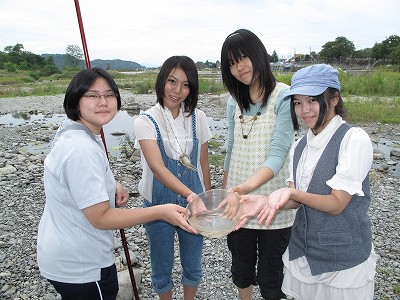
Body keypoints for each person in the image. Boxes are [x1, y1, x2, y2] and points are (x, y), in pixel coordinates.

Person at [36, 68, 197, 300]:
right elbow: (100, 218)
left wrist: (112, 184)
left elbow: (79, 178)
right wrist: (160, 212)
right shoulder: (82, 149)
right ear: (75, 99)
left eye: (109, 95)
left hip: (62, 252)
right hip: (82, 265)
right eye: (92, 96)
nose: (103, 102)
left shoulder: (74, 130)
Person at [238, 64, 377, 299]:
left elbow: (337, 204)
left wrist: (292, 194)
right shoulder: (300, 145)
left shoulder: (354, 139)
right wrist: (265, 201)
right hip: (305, 254)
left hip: (343, 261)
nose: (304, 110)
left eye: (312, 100)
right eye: (298, 102)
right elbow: (294, 198)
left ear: (334, 99)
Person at [220, 28, 296, 300]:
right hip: (238, 202)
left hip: (274, 203)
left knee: (270, 273)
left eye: (243, 57)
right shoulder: (233, 102)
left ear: (258, 54)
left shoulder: (284, 97)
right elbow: (230, 149)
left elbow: (278, 154)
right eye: (231, 63)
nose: (239, 67)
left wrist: (245, 187)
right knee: (240, 267)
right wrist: (226, 189)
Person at [133, 56, 212, 300]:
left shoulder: (198, 118)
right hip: (158, 204)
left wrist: (207, 200)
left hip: (195, 204)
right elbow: (157, 168)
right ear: (162, 81)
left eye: (186, 84)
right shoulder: (146, 120)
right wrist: (191, 195)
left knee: (192, 263)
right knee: (161, 266)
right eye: (172, 81)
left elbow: (203, 163)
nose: (177, 91)